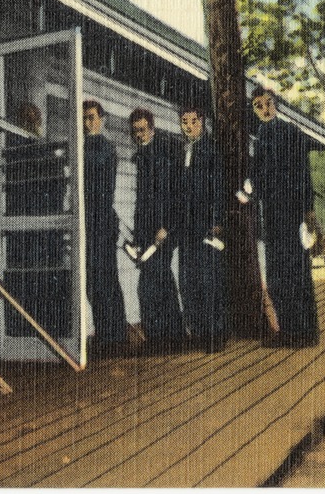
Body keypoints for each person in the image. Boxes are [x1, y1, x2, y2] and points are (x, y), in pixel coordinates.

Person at [250, 88, 319, 348]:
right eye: (259, 105)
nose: (265, 109)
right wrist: (249, 189)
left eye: (268, 103)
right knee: (277, 277)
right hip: (271, 215)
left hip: (293, 213)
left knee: (297, 273)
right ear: (254, 110)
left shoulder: (290, 132)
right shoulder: (260, 137)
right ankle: (289, 330)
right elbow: (257, 177)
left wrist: (308, 211)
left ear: (276, 105)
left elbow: (303, 173)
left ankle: (305, 332)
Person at [174, 106, 229, 352]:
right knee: (189, 280)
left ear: (202, 121)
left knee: (210, 280)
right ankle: (197, 331)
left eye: (192, 121)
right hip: (186, 228)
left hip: (206, 226)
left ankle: (215, 334)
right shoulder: (185, 149)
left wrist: (216, 221)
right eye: (184, 122)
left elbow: (218, 188)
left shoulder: (211, 149)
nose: (188, 126)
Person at [129, 108, 185, 347]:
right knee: (156, 280)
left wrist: (167, 227)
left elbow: (172, 195)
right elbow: (142, 201)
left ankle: (169, 336)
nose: (139, 135)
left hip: (163, 231)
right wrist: (137, 235)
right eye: (135, 131)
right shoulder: (141, 156)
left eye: (142, 130)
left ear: (152, 128)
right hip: (146, 232)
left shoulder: (162, 155)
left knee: (153, 281)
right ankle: (164, 336)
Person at [82, 100, 129, 350]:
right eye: (84, 118)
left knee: (106, 279)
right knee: (92, 280)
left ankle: (116, 335)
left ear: (102, 119)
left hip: (101, 221)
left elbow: (101, 190)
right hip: (87, 222)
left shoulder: (105, 148)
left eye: (91, 117)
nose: (88, 123)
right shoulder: (83, 146)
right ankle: (105, 332)